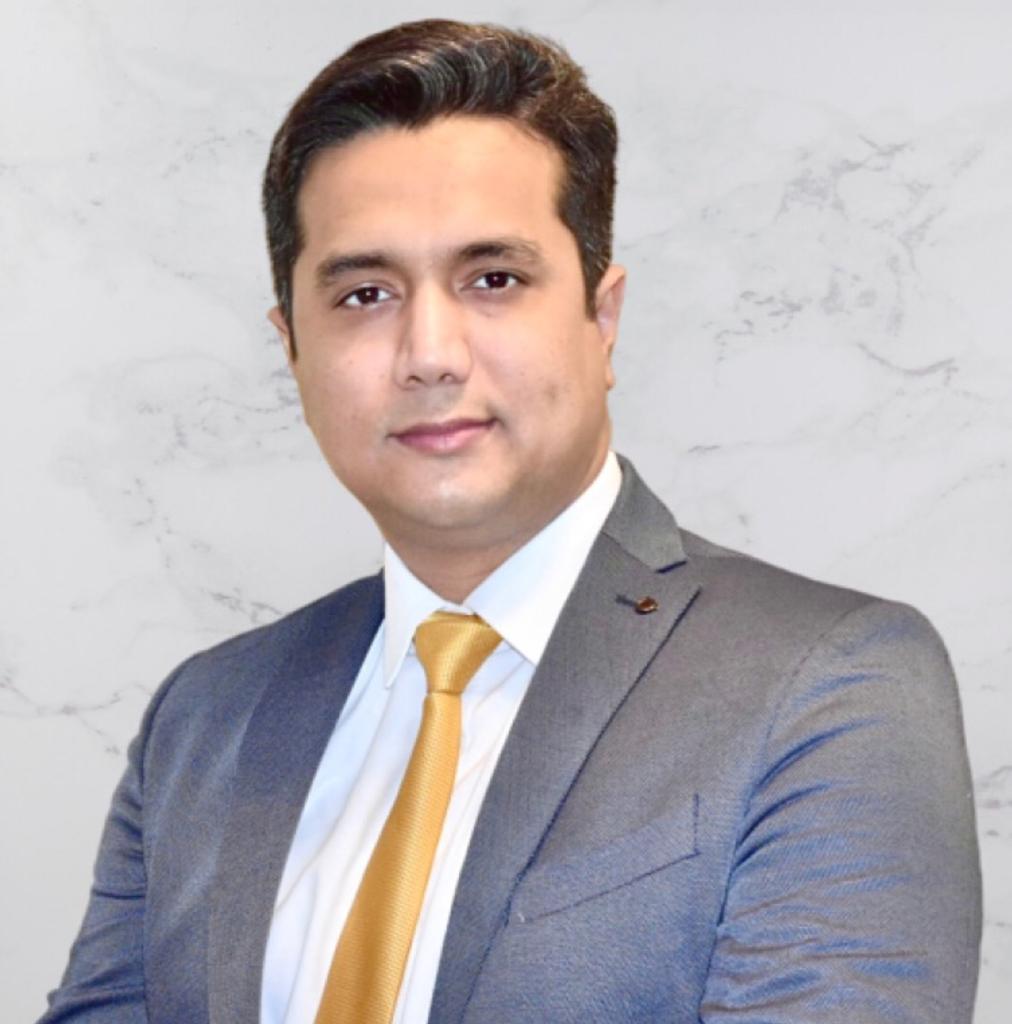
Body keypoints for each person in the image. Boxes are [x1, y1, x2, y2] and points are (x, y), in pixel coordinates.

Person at [41, 18, 981, 1024]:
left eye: (493, 280)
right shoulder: (206, 717)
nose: (429, 354)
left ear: (601, 318)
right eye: (364, 294)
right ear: (292, 349)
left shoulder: (831, 682)